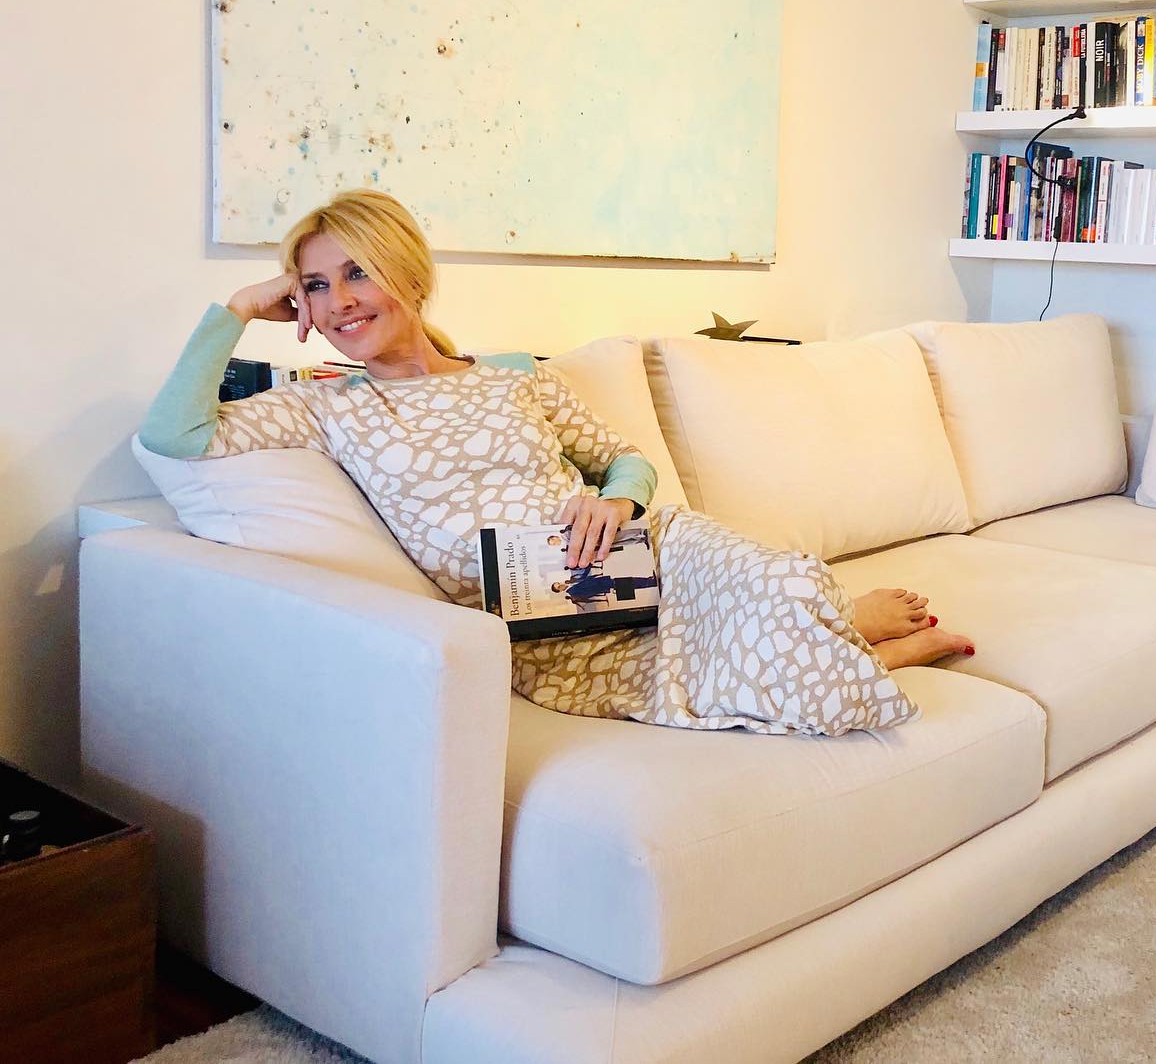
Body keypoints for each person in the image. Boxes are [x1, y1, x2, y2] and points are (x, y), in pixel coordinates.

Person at [139, 189, 975, 734]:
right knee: (710, 678)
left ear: (409, 275)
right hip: (546, 620)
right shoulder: (329, 406)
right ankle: (859, 644)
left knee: (777, 576)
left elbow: (622, 460)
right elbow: (173, 436)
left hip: (638, 554)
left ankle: (827, 617)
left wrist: (617, 503)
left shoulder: (512, 375)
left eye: (358, 272)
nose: (340, 299)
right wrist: (237, 308)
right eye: (316, 285)